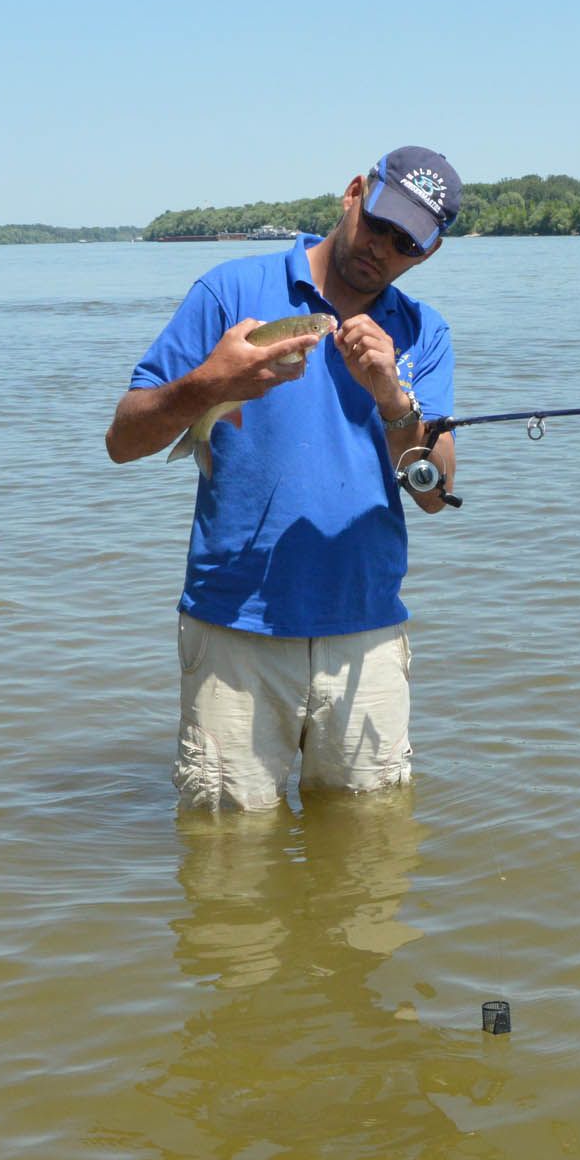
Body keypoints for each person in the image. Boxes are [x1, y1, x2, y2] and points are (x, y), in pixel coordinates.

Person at [106, 145, 461, 810]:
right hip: (234, 627)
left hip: (366, 634)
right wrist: (211, 383)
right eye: (377, 224)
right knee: (226, 860)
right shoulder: (230, 292)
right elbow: (123, 440)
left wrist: (394, 399)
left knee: (369, 863)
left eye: (405, 244)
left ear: (427, 254)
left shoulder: (423, 334)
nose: (381, 249)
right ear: (354, 191)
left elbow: (436, 495)